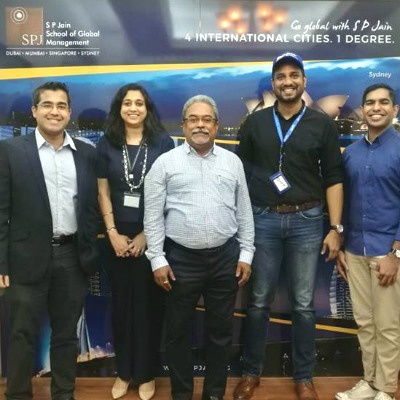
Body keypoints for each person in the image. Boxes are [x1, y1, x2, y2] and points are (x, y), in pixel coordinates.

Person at [234, 52, 344, 400]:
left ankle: (304, 377)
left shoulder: (321, 123)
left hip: (307, 221)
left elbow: (334, 178)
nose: (287, 82)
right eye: (280, 76)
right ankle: (251, 373)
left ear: (304, 82)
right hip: (263, 219)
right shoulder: (256, 122)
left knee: (302, 305)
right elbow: (239, 175)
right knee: (258, 302)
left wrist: (336, 228)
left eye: (294, 75)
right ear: (273, 83)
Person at [144, 95, 255, 400]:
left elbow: (244, 211)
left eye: (207, 119)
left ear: (216, 126)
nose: (200, 125)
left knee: (220, 333)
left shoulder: (233, 162)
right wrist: (157, 259)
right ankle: (182, 394)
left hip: (225, 259)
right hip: (180, 260)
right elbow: (152, 215)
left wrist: (246, 253)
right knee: (178, 334)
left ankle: (214, 394)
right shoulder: (165, 163)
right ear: (184, 125)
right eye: (193, 119)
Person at [0, 81, 99, 400]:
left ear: (69, 112)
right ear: (35, 111)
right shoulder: (11, 151)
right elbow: (1, 211)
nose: (54, 111)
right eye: (47, 105)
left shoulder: (86, 153)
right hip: (24, 258)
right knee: (21, 334)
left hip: (71, 258)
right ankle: (17, 395)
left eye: (61, 106)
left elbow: (91, 207)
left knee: (67, 336)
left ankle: (64, 394)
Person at [97, 83, 174, 400]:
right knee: (121, 309)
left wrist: (147, 235)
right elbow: (102, 191)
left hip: (152, 239)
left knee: (149, 309)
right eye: (127, 103)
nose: (133, 108)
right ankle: (123, 372)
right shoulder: (107, 144)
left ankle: (146, 374)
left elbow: (172, 193)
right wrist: (113, 232)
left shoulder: (162, 142)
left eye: (139, 103)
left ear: (147, 108)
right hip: (115, 240)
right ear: (119, 108)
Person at [335, 84, 400, 400]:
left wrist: (396, 252)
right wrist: (342, 243)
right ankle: (370, 382)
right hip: (354, 250)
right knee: (365, 323)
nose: (376, 107)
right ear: (362, 110)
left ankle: (386, 389)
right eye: (370, 103)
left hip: (388, 253)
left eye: (383, 102)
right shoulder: (353, 153)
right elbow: (345, 202)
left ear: (394, 110)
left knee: (388, 326)